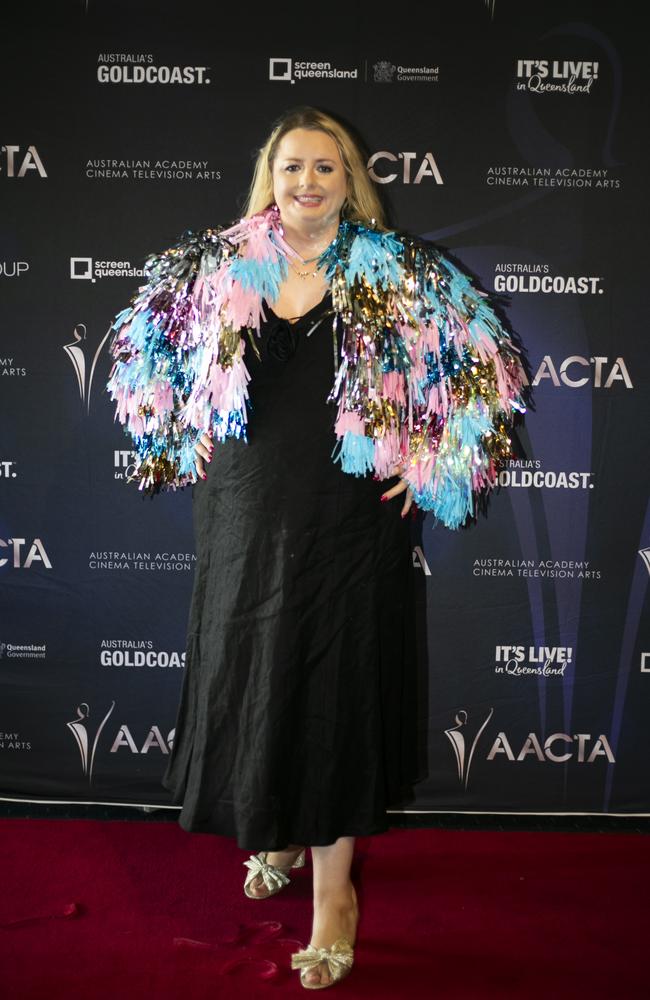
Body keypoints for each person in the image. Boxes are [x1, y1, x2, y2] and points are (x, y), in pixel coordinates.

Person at [106, 105, 529, 989]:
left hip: (348, 516)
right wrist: (175, 436)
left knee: (337, 683)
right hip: (245, 509)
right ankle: (277, 829)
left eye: (325, 169)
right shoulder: (219, 265)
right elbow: (141, 362)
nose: (307, 183)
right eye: (292, 166)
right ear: (270, 174)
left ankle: (334, 895)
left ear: (350, 180)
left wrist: (436, 461)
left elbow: (486, 369)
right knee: (256, 670)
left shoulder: (393, 271)